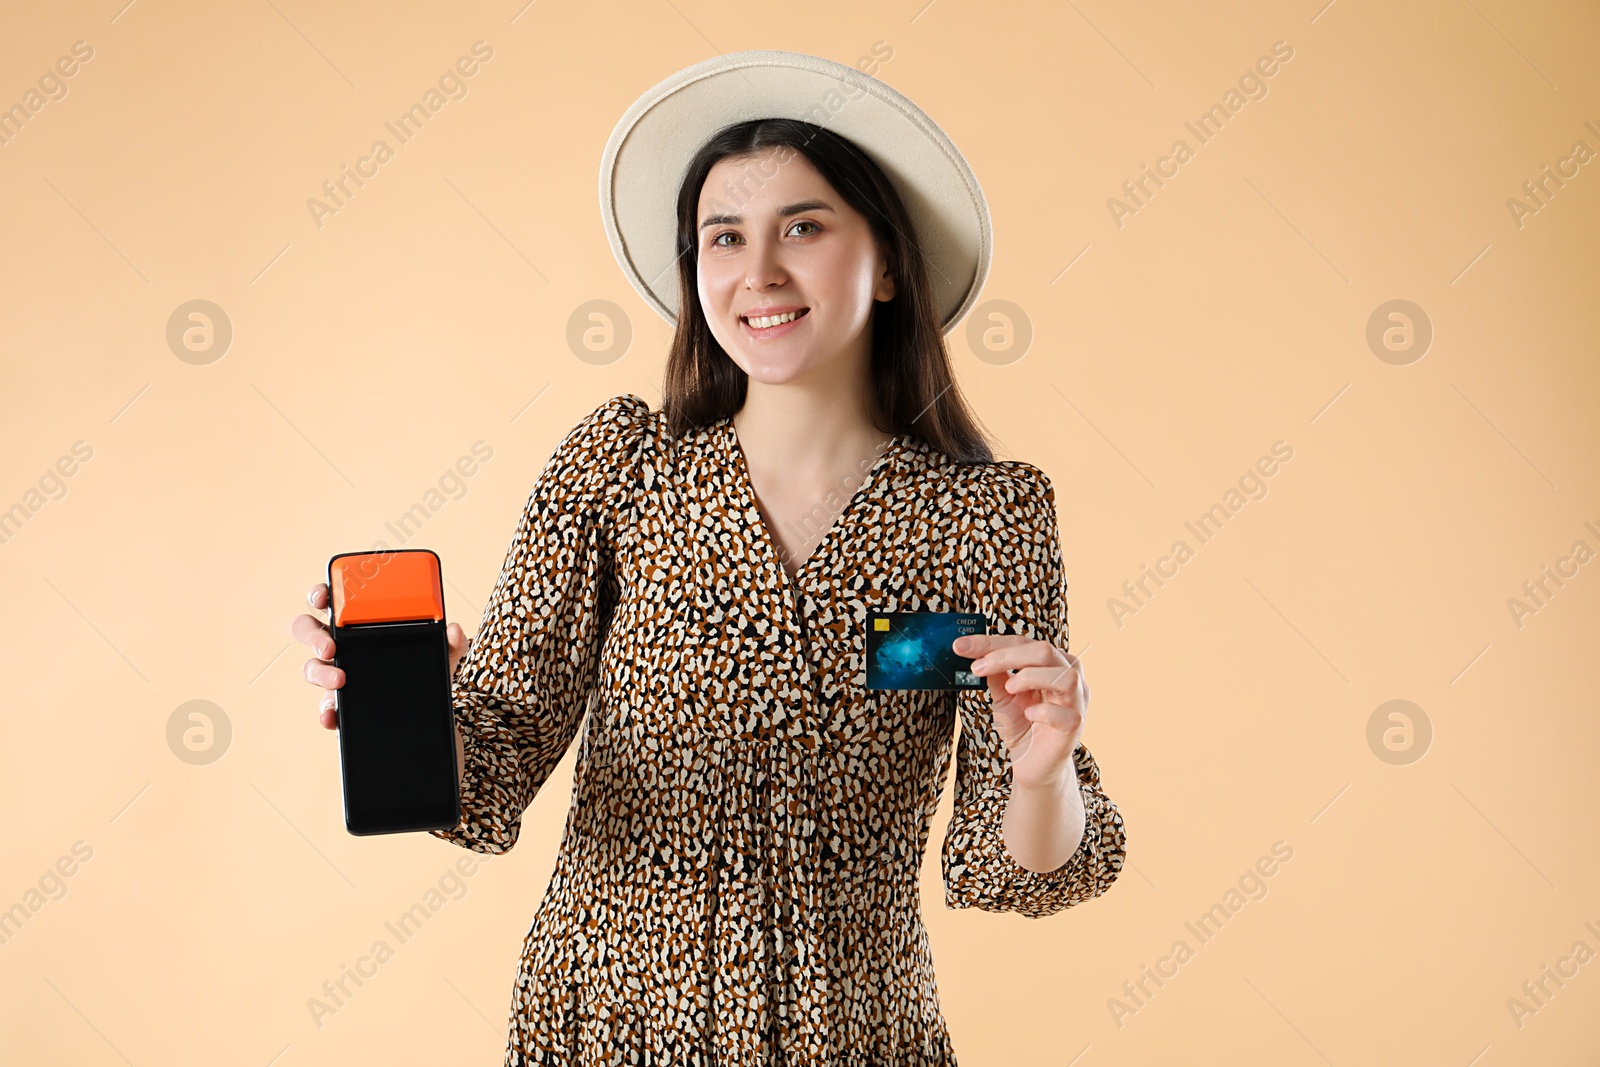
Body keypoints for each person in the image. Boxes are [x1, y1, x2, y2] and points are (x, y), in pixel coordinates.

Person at [291, 50, 1126, 1065]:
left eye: (803, 228)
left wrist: (1042, 775)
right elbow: (493, 761)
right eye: (722, 237)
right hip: (604, 1028)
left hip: (855, 1034)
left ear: (891, 262)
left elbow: (1019, 865)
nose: (758, 273)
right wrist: (407, 707)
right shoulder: (617, 471)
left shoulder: (983, 516)